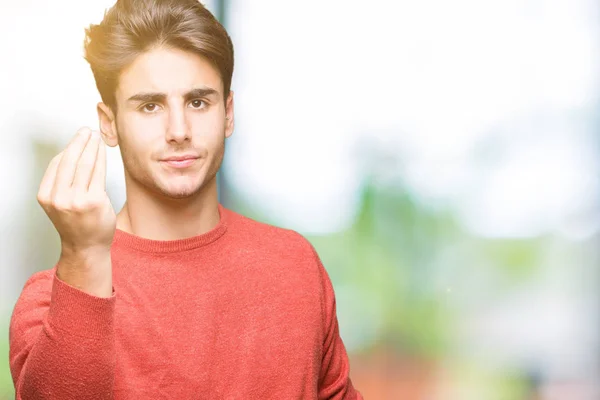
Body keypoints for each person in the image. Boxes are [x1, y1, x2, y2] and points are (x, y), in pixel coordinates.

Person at [8, 0, 362, 399]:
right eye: (150, 105)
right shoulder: (53, 301)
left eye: (198, 102)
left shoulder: (296, 267)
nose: (179, 130)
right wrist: (85, 255)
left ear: (227, 112)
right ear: (109, 124)